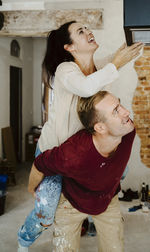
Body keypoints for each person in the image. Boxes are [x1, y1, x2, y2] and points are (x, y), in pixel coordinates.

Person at [17, 20, 144, 251]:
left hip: (77, 152)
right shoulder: (66, 70)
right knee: (46, 210)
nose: (88, 32)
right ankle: (23, 241)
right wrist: (116, 63)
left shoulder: (95, 68)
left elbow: (112, 64)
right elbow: (86, 87)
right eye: (80, 31)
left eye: (87, 28)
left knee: (120, 170)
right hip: (53, 151)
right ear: (69, 47)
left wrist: (133, 40)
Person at [28, 90, 137, 251]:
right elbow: (40, 163)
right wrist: (31, 188)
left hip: (107, 198)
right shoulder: (73, 155)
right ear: (100, 127)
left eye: (119, 105)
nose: (126, 112)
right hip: (72, 201)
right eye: (116, 111)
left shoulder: (127, 130)